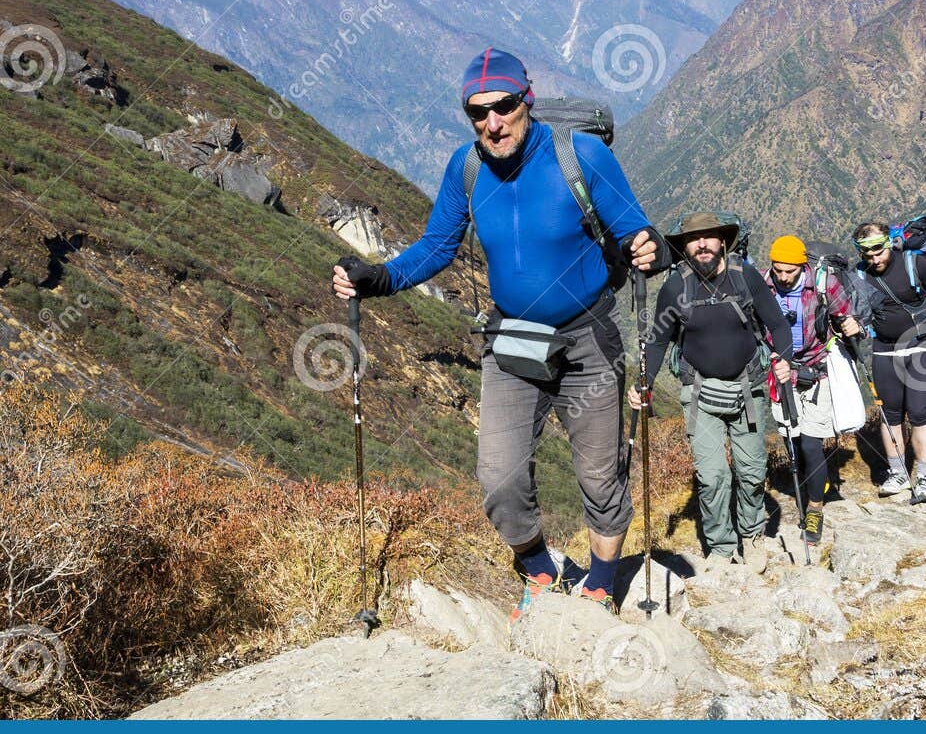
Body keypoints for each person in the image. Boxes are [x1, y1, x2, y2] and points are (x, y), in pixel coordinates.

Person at [333, 48, 668, 617]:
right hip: (512, 341)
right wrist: (381, 278)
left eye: (504, 106)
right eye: (477, 112)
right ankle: (540, 571)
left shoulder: (580, 156)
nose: (493, 122)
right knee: (499, 478)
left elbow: (635, 229)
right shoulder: (465, 169)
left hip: (588, 338)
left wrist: (650, 248)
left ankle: (601, 582)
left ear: (526, 100)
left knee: (600, 472)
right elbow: (438, 246)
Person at [634, 213, 792, 563]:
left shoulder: (744, 276)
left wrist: (784, 357)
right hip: (700, 394)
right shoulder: (677, 286)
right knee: (712, 476)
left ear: (722, 241)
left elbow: (777, 324)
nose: (702, 244)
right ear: (684, 247)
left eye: (708, 237)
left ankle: (751, 535)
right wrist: (643, 383)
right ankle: (721, 547)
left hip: (747, 389)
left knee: (751, 471)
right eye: (693, 239)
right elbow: (658, 341)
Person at [851, 221, 926, 504]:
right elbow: (854, 308)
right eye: (868, 255)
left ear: (889, 243)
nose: (875, 259)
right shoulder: (858, 274)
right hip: (884, 349)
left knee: (919, 412)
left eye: (879, 251)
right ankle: (898, 474)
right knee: (890, 414)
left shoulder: (913, 263)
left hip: (921, 345)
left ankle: (925, 478)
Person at [762, 235, 866, 545]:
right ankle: (807, 490)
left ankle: (815, 510)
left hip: (816, 370)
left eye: (789, 272)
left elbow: (847, 316)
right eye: (778, 270)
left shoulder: (823, 284)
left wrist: (853, 326)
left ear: (802, 266)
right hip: (780, 371)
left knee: (810, 445)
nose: (782, 277)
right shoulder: (763, 285)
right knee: (791, 442)